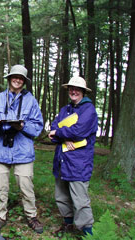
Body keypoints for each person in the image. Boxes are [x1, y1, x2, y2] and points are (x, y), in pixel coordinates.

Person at [0, 65, 44, 234]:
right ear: (9, 78)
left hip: (22, 150)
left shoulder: (31, 100)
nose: (17, 80)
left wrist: (22, 125)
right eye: (14, 77)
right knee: (1, 187)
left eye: (21, 78)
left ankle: (31, 216)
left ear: (24, 81)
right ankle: (0, 216)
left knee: (26, 185)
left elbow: (38, 127)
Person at [48, 76, 98, 236]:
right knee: (61, 196)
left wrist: (61, 133)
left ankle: (87, 233)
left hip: (78, 162)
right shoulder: (65, 110)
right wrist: (63, 135)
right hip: (62, 160)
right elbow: (52, 131)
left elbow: (79, 131)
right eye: (71, 88)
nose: (73, 91)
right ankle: (68, 224)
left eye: (77, 89)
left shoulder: (89, 110)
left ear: (83, 92)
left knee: (80, 200)